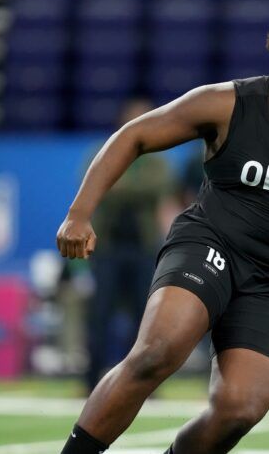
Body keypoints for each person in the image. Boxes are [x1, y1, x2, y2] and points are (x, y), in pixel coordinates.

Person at [56, 8, 269, 454]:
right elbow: (134, 136)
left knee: (240, 408)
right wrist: (79, 213)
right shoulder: (229, 103)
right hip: (211, 246)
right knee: (157, 351)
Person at [84, 99, 176, 392]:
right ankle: (90, 382)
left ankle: (143, 384)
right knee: (100, 314)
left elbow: (157, 188)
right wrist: (119, 187)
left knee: (145, 319)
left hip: (144, 247)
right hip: (108, 247)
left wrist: (118, 184)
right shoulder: (104, 150)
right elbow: (98, 185)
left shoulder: (157, 157)